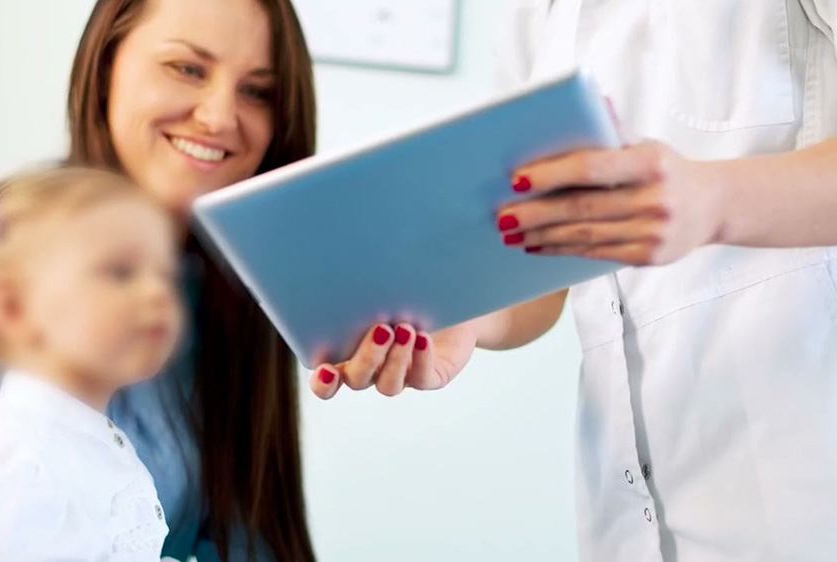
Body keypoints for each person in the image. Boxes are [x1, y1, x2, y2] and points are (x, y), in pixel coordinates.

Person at [310, 1, 837, 560]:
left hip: (802, 485)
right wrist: (467, 311)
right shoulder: (532, 14)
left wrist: (714, 201)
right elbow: (547, 258)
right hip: (632, 516)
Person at [0, 0, 336, 560]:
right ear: (104, 68)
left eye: (258, 91)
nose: (220, 116)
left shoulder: (234, 303)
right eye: (188, 68)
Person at [0, 167, 182, 560]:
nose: (158, 293)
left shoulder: (72, 440)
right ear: (14, 309)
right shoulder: (25, 467)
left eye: (164, 273)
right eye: (121, 272)